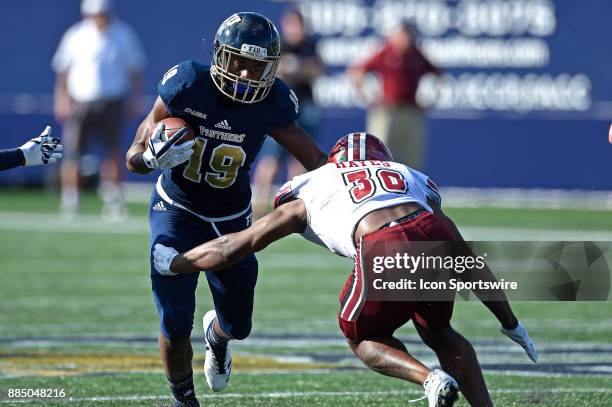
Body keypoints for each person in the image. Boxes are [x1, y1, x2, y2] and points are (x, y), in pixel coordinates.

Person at [153, 133, 537, 407]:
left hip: (383, 243)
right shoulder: (407, 176)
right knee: (438, 330)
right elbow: (463, 256)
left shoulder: (314, 186)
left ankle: (430, 379)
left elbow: (240, 243)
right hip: (434, 231)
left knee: (361, 336)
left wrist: (179, 262)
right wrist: (509, 320)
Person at [125, 12, 326, 407]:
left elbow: (315, 159)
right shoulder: (187, 83)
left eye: (257, 66)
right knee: (175, 319)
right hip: (175, 209)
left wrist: (355, 180)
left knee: (239, 323)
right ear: (220, 55)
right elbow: (133, 152)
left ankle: (217, 334)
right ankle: (184, 399)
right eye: (239, 62)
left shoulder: (273, 102)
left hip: (232, 220)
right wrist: (149, 158)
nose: (247, 75)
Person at [52, 0, 146, 219]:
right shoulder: (75, 35)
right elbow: (63, 71)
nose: (99, 18)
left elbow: (135, 70)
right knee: (73, 153)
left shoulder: (123, 34)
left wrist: (134, 99)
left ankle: (113, 199)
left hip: (112, 101)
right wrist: (62, 99)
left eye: (102, 13)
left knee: (113, 152)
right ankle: (71, 200)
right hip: (80, 102)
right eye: (95, 14)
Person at [252, 7, 325, 217]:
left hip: (306, 107)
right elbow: (275, 71)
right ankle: (258, 206)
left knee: (300, 159)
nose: (296, 29)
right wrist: (295, 68)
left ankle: (294, 207)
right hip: (282, 109)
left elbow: (318, 70)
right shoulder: (278, 45)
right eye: (292, 25)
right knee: (271, 159)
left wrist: (297, 68)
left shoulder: (311, 45)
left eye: (299, 25)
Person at [348, 21, 440, 171]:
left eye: (408, 35)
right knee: (379, 158)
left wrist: (430, 101)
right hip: (387, 111)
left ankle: (411, 192)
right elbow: (357, 72)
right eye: (401, 35)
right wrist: (367, 98)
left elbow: (438, 75)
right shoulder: (385, 52)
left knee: (413, 161)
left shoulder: (416, 54)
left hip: (411, 111)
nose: (405, 39)